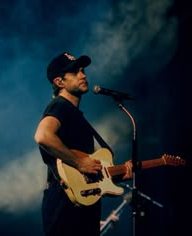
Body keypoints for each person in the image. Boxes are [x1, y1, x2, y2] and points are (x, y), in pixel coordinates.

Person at [34, 52, 132, 236]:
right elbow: (43, 135)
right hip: (66, 205)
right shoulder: (60, 106)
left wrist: (116, 175)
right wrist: (79, 162)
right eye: (75, 72)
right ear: (59, 82)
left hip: (81, 202)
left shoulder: (75, 115)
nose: (83, 75)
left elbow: (90, 170)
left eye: (83, 70)